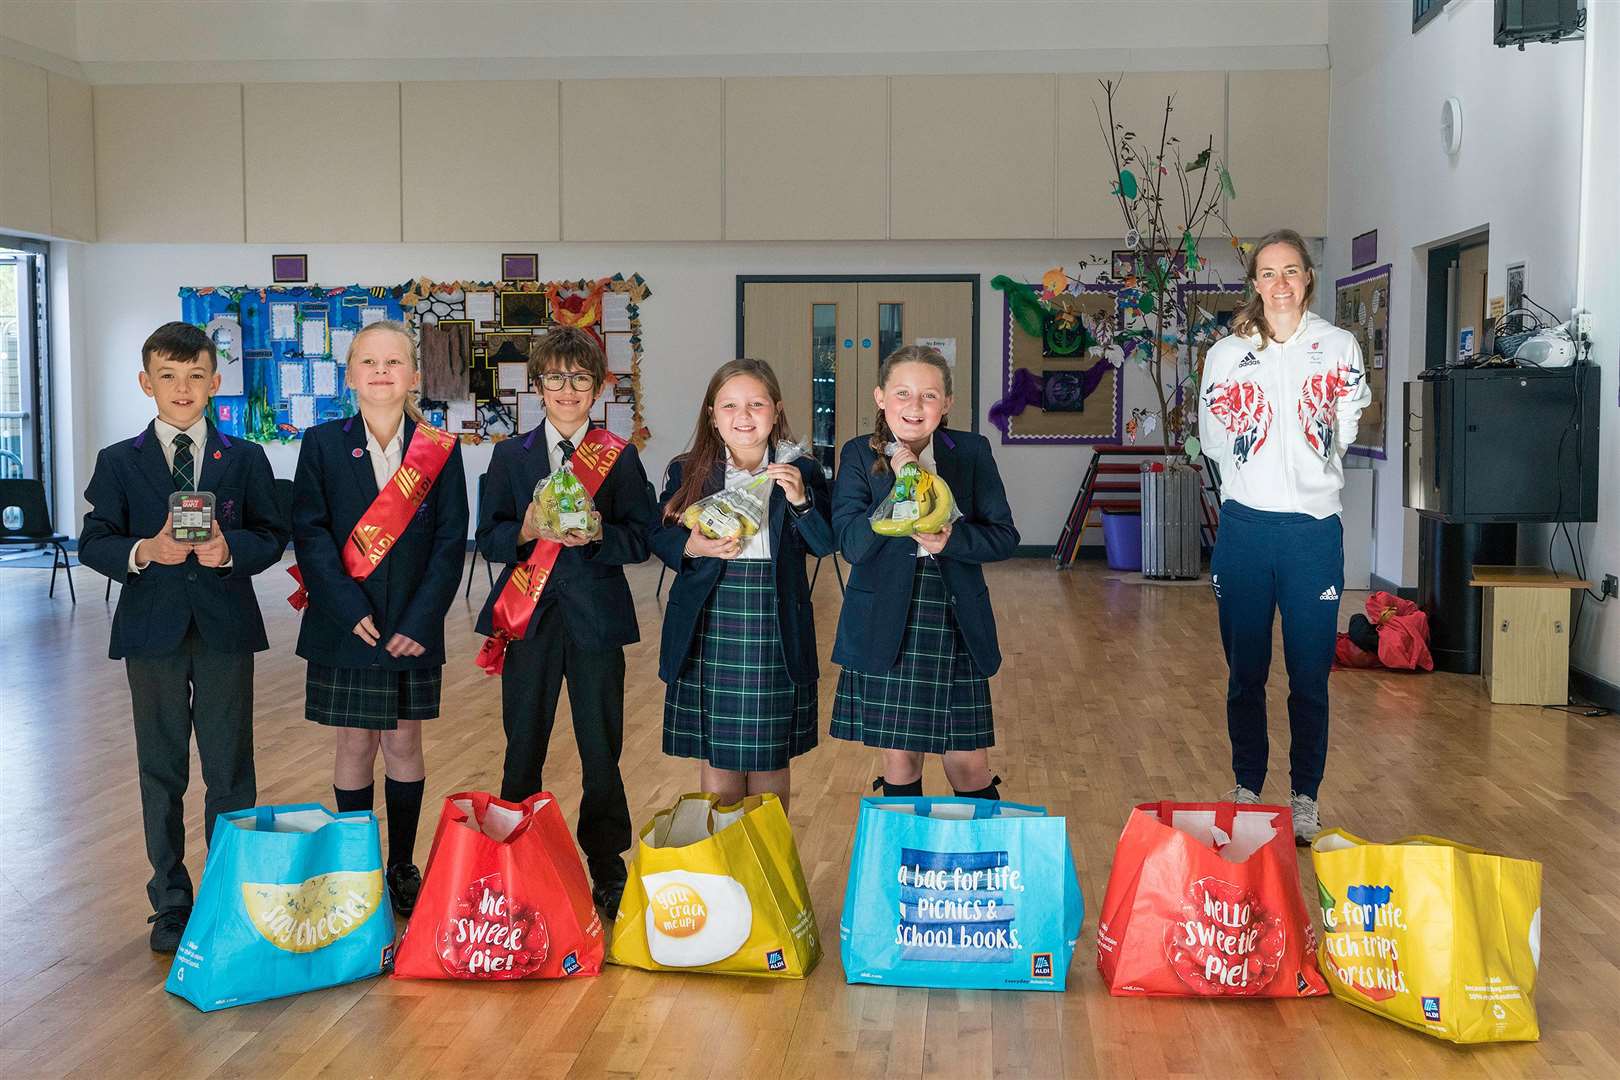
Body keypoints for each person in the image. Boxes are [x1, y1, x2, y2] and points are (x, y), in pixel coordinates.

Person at [79, 321, 289, 951]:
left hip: (225, 630)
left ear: (215, 383)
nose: (182, 387)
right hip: (152, 634)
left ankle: (229, 891)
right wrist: (146, 551)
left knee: (230, 769)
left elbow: (270, 536)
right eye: (168, 376)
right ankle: (170, 899)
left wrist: (229, 552)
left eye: (196, 375)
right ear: (146, 383)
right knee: (161, 768)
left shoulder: (245, 459)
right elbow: (95, 540)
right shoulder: (119, 461)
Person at [1197, 227, 1372, 844]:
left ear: (1307, 280)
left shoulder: (1339, 346)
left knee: (1308, 674)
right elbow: (1216, 442)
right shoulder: (1225, 355)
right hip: (1246, 531)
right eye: (1268, 273)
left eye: (1291, 271)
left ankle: (1304, 797)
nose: (1280, 284)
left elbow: (1345, 426)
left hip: (1313, 536)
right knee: (1246, 670)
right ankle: (1248, 784)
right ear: (1254, 284)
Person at [474, 327, 655, 914]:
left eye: (580, 379)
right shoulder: (510, 456)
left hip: (596, 620)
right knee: (522, 741)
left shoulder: (619, 457)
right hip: (528, 618)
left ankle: (606, 862)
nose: (568, 390)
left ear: (597, 387)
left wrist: (601, 535)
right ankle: (512, 857)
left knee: (600, 745)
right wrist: (526, 530)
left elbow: (642, 537)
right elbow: (489, 537)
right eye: (556, 378)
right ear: (538, 385)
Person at [289, 319, 467, 914]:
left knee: (404, 740)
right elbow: (309, 534)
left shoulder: (439, 449)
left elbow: (450, 542)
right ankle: (357, 863)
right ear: (350, 376)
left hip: (411, 625)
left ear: (414, 375)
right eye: (369, 362)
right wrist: (343, 606)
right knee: (353, 742)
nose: (382, 372)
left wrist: (422, 620)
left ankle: (401, 865)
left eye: (394, 362)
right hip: (346, 621)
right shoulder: (321, 444)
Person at [828, 345, 1019, 799]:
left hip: (954, 620)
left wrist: (954, 540)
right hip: (885, 621)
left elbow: (1003, 536)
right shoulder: (858, 454)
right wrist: (904, 480)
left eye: (929, 396)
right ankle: (906, 868)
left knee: (970, 764)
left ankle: (975, 866)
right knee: (900, 757)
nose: (915, 407)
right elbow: (852, 545)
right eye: (902, 393)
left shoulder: (970, 451)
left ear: (947, 404)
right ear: (880, 398)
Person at [650, 358, 833, 814]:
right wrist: (692, 547)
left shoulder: (802, 471)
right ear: (712, 413)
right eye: (730, 405)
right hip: (710, 620)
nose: (744, 416)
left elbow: (825, 544)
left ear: (776, 410)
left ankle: (766, 869)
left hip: (774, 623)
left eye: (756, 404)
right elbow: (660, 534)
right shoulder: (688, 469)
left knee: (771, 760)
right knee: (720, 759)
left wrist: (800, 502)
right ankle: (724, 872)